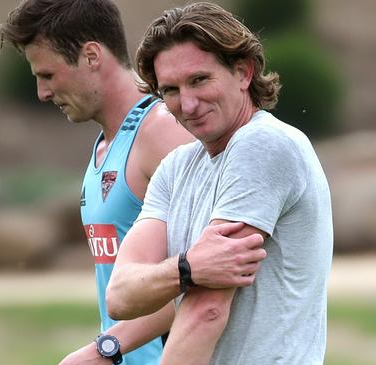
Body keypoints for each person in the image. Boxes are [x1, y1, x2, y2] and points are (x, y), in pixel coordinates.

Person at [0, 1, 266, 364]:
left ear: (91, 56)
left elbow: (215, 278)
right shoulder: (105, 146)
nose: (42, 92)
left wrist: (105, 349)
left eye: (47, 75)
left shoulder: (164, 132)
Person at [106, 2, 334, 364]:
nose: (189, 103)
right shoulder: (177, 166)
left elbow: (205, 311)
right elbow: (120, 295)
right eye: (171, 90)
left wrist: (178, 274)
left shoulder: (262, 144)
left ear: (243, 72)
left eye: (199, 80)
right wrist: (187, 268)